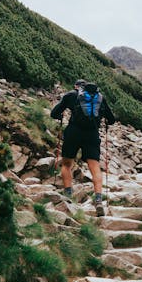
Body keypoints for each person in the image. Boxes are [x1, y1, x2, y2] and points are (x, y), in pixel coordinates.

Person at [51, 79, 115, 216]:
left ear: (76, 87)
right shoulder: (99, 99)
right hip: (92, 134)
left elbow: (54, 113)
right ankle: (98, 199)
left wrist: (61, 115)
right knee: (95, 166)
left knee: (67, 164)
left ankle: (68, 195)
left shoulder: (71, 95)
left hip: (73, 132)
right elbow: (112, 119)